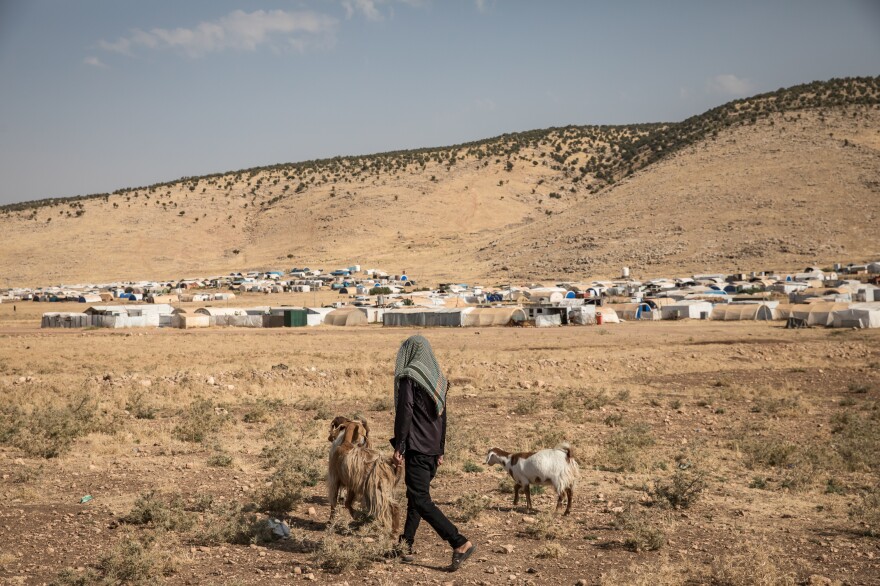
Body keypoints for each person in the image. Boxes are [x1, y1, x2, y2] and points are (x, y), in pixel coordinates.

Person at [391, 335, 475, 572]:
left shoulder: (410, 376)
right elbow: (443, 416)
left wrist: (400, 445)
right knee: (415, 496)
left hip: (417, 446)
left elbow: (405, 411)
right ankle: (404, 546)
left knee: (420, 499)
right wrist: (441, 448)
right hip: (432, 449)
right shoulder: (438, 378)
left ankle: (459, 542)